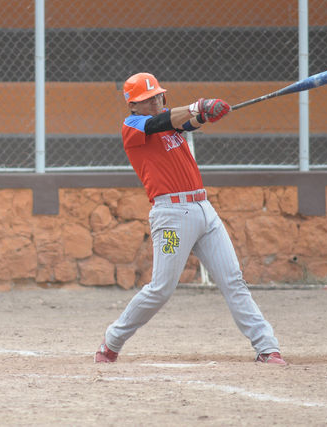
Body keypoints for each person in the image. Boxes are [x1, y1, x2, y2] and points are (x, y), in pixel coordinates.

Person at [95, 73, 286, 365]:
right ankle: (111, 342)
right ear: (133, 105)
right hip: (171, 218)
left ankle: (267, 347)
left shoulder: (169, 124)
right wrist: (199, 106)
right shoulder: (133, 126)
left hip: (204, 210)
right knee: (161, 289)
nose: (155, 102)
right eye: (147, 100)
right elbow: (163, 121)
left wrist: (206, 115)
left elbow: (188, 122)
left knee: (233, 281)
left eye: (158, 97)